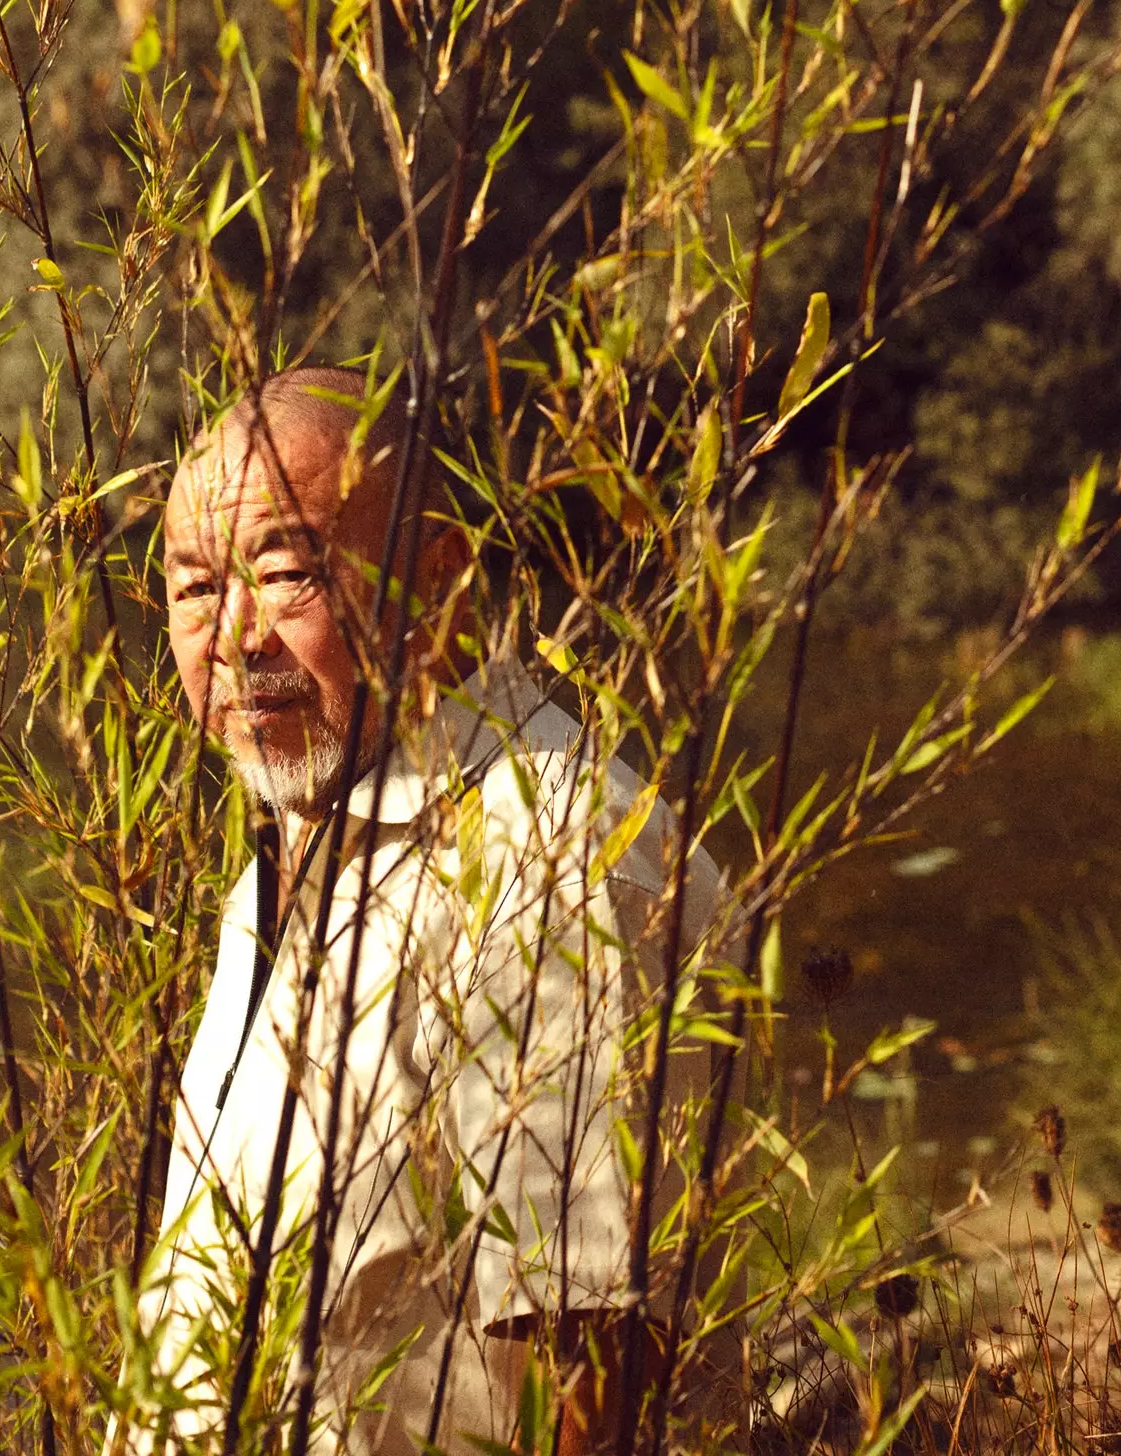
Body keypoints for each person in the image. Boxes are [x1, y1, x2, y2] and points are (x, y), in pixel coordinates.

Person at [127, 367, 732, 1456]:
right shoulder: (291, 851)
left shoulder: (553, 866)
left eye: (286, 574)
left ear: (440, 576)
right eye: (193, 589)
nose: (235, 636)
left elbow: (590, 1363)